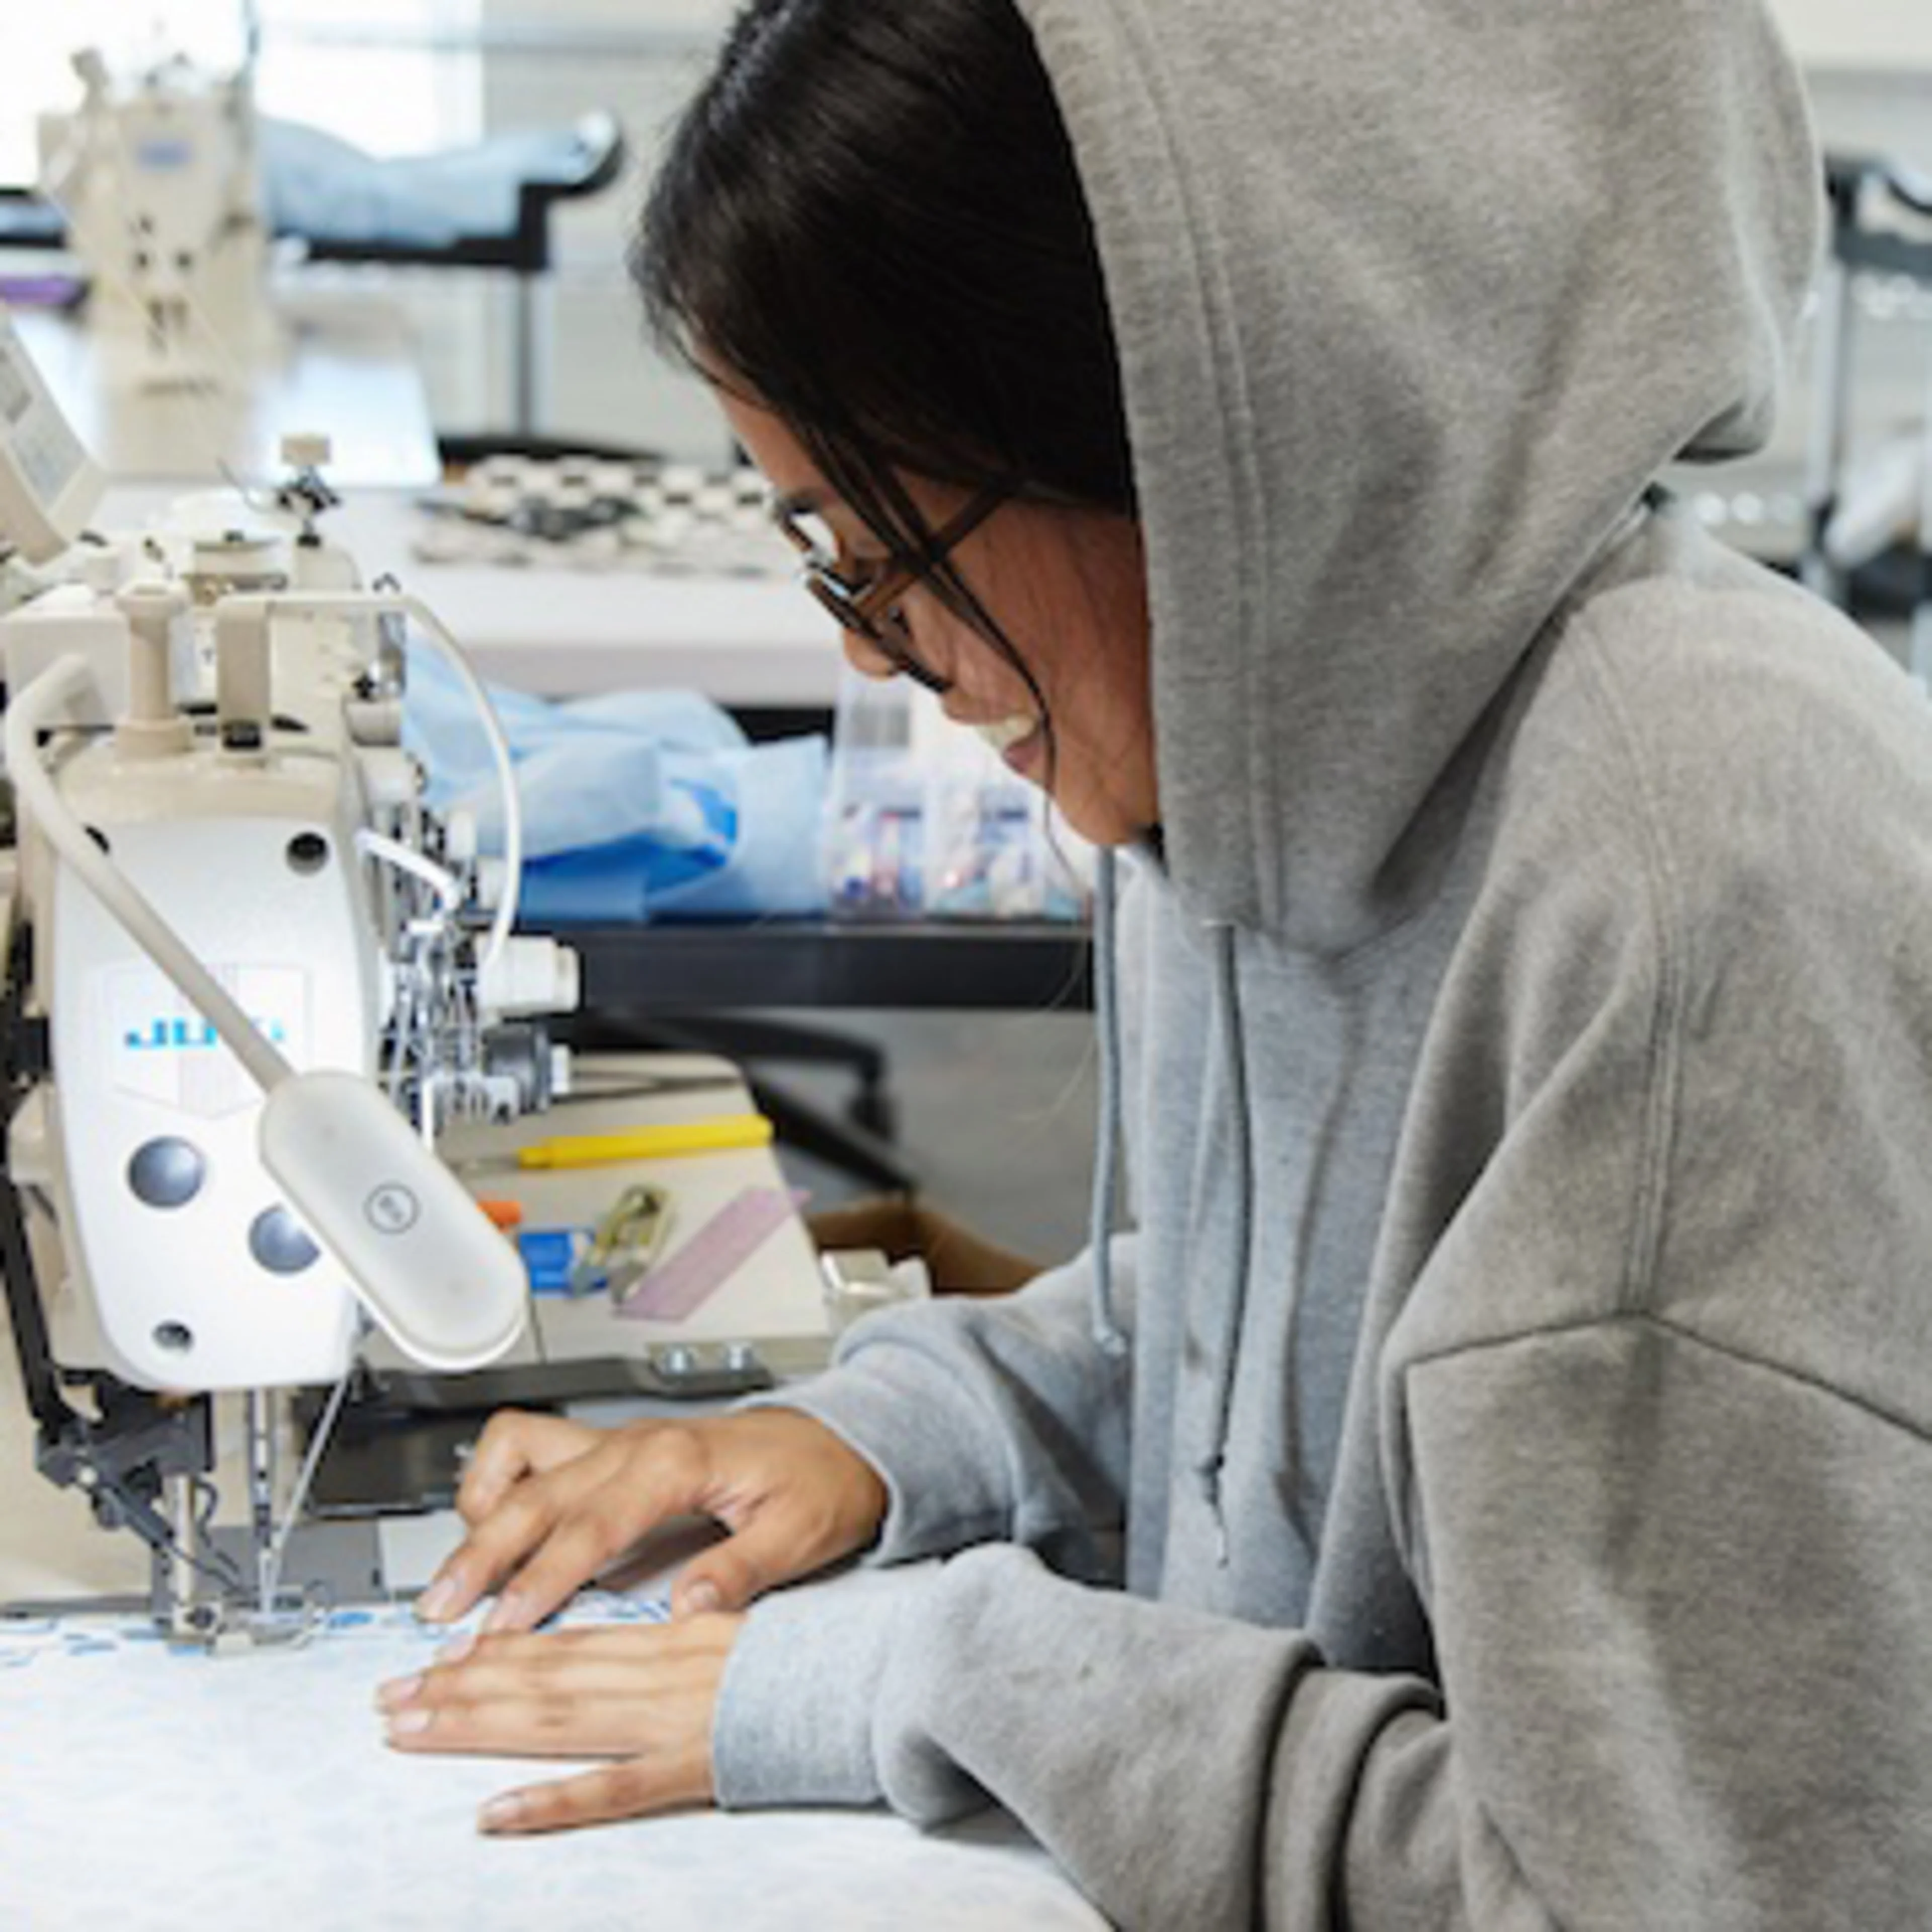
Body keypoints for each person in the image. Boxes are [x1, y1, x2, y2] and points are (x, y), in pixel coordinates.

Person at [376, 1, 1932, 1922]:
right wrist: (886, 1435)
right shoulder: (1258, 752)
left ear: (1213, 430)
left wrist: (934, 1672)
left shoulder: (1695, 876)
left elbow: (1659, 1894)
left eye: (883, 544)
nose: (869, 646)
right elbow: (1294, 1351)